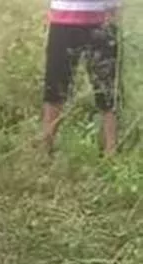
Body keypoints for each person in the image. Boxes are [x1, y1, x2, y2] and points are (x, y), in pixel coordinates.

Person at [42, 1, 125, 156]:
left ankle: (112, 151)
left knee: (108, 88)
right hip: (62, 19)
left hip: (102, 19)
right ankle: (45, 149)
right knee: (55, 87)